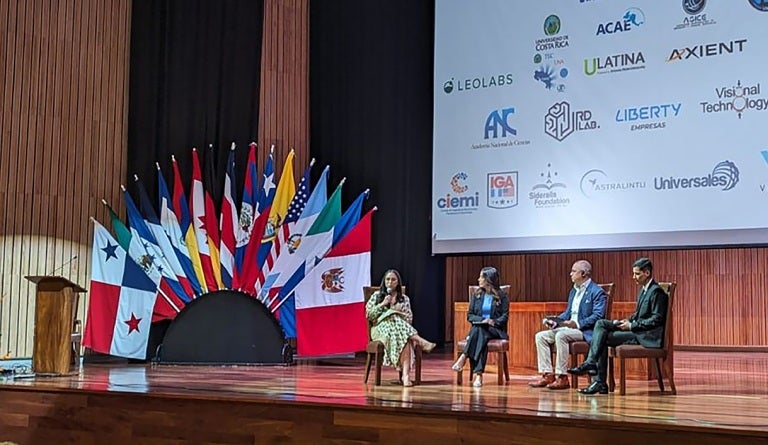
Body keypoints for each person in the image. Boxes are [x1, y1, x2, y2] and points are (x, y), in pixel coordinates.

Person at [568, 257, 668, 395]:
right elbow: (639, 314)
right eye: (633, 273)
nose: (634, 277)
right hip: (638, 330)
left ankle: (598, 379)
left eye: (637, 274)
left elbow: (657, 320)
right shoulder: (644, 290)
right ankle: (594, 371)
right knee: (601, 324)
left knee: (602, 338)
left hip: (646, 335)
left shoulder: (656, 291)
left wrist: (632, 326)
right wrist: (625, 321)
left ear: (647, 273)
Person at [529, 260, 607, 390]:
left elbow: (598, 316)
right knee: (540, 336)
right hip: (569, 328)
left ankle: (562, 377)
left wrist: (576, 324)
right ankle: (547, 374)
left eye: (573, 271)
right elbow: (568, 312)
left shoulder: (596, 291)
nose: (570, 274)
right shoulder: (574, 291)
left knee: (561, 335)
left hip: (585, 330)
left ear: (583, 273)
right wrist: (556, 321)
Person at [365, 269, 436, 387]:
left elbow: (409, 319)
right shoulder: (377, 296)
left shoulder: (404, 299)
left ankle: (406, 376)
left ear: (398, 282)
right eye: (387, 279)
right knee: (394, 320)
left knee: (404, 335)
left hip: (398, 330)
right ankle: (421, 341)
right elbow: (369, 315)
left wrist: (399, 313)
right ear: (384, 281)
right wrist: (382, 304)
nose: (390, 282)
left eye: (393, 280)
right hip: (380, 329)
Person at [451, 266, 509, 388]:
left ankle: (464, 357)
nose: (478, 280)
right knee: (480, 333)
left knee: (478, 332)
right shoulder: (476, 295)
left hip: (495, 329)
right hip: (480, 327)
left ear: (488, 279)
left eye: (481, 277)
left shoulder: (502, 296)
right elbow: (470, 315)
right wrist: (483, 320)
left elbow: (505, 316)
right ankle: (478, 375)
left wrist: (493, 321)